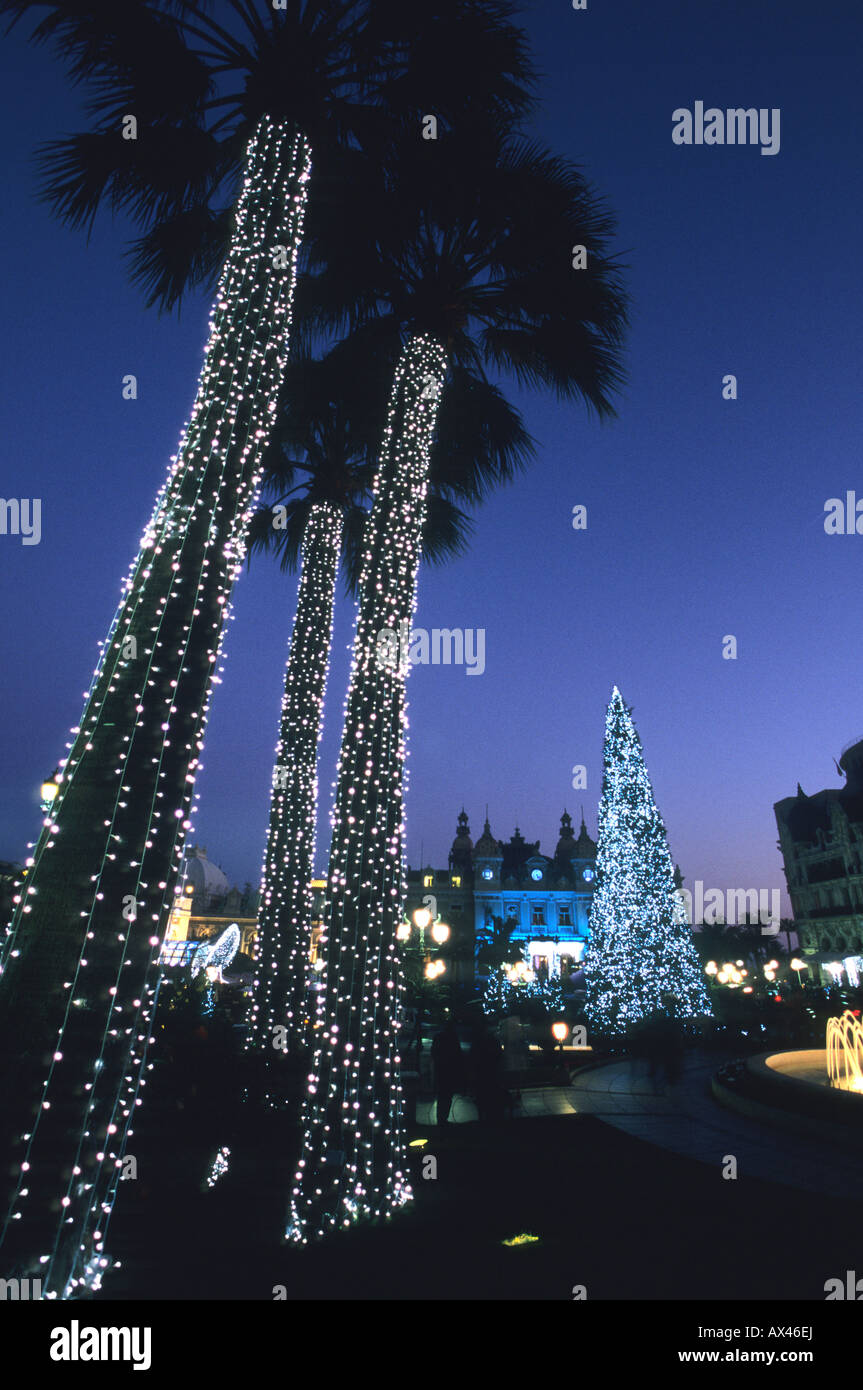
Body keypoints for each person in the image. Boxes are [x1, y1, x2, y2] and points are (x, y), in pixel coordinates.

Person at [430, 1018, 464, 1126]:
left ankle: (441, 1119)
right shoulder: (453, 1038)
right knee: (447, 1095)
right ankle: (443, 1118)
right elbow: (458, 1054)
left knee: (442, 1095)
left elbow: (434, 1053)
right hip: (449, 1069)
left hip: (441, 1069)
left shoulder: (439, 1037)